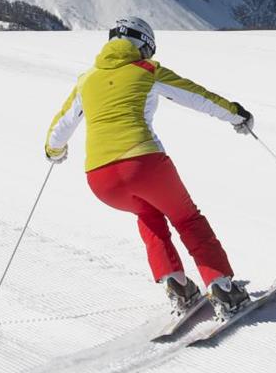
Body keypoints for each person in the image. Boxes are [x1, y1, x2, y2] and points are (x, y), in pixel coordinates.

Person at [44, 16, 256, 318]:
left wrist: (54, 152)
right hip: (144, 164)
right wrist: (237, 115)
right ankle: (223, 288)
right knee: (187, 219)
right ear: (144, 45)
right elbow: (197, 96)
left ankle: (178, 285)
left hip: (101, 180)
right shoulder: (146, 70)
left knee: (148, 215)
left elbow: (61, 127)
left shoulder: (86, 81)